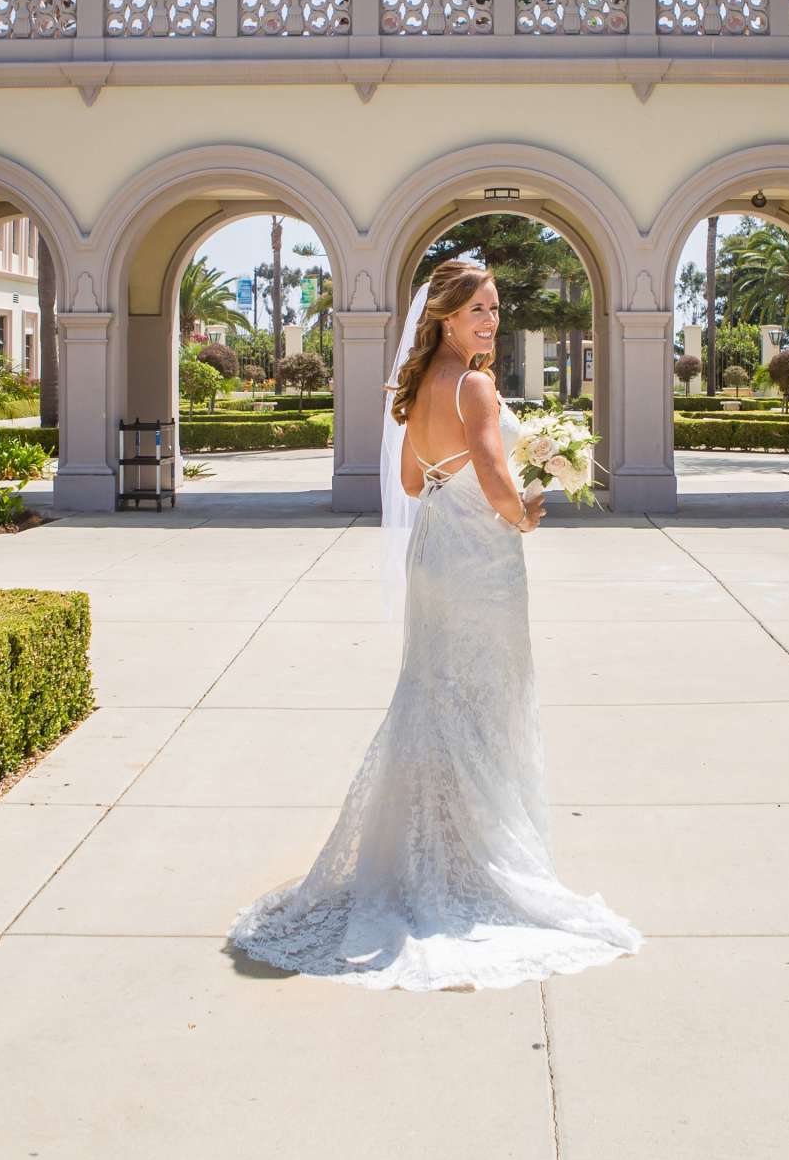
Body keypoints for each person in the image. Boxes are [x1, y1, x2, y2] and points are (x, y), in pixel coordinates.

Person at [227, 258, 643, 990]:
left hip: (434, 556)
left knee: (436, 693)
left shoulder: (419, 385)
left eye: (495, 309)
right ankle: (468, 857)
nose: (490, 320)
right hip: (479, 561)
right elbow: (488, 468)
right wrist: (524, 511)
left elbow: (416, 481)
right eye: (478, 310)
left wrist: (507, 479)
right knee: (484, 698)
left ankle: (436, 848)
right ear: (446, 316)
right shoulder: (475, 383)